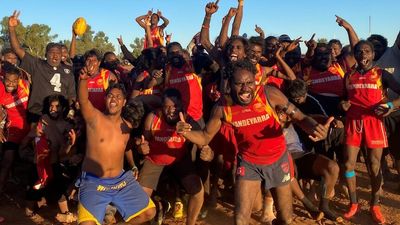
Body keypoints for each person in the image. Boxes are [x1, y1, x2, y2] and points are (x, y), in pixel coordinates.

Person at [177, 59, 332, 225]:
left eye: (250, 82)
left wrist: (315, 127)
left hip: (278, 160)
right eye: (239, 83)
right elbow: (205, 137)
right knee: (241, 219)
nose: (245, 89)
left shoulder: (269, 94)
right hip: (249, 163)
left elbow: (300, 117)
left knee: (285, 218)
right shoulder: (222, 108)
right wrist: (185, 133)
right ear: (229, 84)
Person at [78, 65, 155, 225]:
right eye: (110, 96)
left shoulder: (127, 126)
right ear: (105, 99)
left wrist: (137, 157)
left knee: (149, 212)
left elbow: (125, 148)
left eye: (118, 97)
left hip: (120, 181)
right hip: (94, 182)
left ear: (124, 102)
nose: (113, 99)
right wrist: (83, 81)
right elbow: (83, 100)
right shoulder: (95, 118)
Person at [341, 40, 400, 224]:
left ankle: (375, 204)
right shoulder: (348, 75)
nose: (363, 55)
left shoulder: (382, 74)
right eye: (359, 51)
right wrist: (342, 104)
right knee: (349, 164)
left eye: (367, 51)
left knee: (374, 166)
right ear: (355, 54)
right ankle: (354, 203)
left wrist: (390, 105)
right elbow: (344, 98)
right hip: (353, 123)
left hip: (374, 123)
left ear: (373, 55)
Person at [138, 88, 209, 225]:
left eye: (175, 106)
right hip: (155, 160)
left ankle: (190, 222)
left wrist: (207, 152)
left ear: (181, 105)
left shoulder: (187, 120)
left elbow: (203, 141)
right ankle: (160, 206)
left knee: (198, 191)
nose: (171, 110)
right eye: (167, 106)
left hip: (179, 160)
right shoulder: (152, 118)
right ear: (162, 106)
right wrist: (141, 148)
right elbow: (143, 141)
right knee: (140, 201)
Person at [8, 11, 76, 123]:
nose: (55, 55)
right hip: (37, 114)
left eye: (58, 53)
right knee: (36, 140)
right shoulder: (37, 65)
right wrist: (11, 29)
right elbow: (18, 50)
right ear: (46, 54)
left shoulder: (68, 71)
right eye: (51, 52)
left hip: (59, 117)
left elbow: (71, 96)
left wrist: (70, 112)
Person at [0, 65, 30, 194]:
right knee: (8, 160)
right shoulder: (0, 89)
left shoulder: (26, 85)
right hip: (14, 128)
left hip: (31, 126)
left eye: (14, 81)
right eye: (8, 80)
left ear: (18, 80)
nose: (10, 84)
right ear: (3, 78)